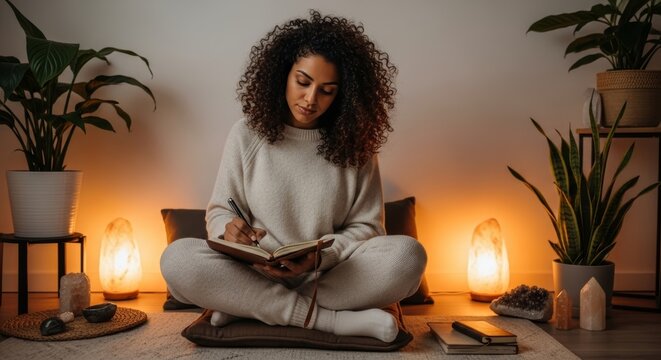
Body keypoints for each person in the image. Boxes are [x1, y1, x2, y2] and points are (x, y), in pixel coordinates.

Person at [160, 10, 427, 343]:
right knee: (177, 259)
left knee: (407, 257)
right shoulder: (246, 134)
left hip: (326, 278)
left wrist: (321, 257)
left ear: (343, 94)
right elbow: (220, 212)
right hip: (252, 274)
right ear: (283, 74)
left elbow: (369, 227)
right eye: (303, 81)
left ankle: (250, 308)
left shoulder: (356, 145)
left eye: (327, 90)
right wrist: (228, 231)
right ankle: (329, 321)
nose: (311, 99)